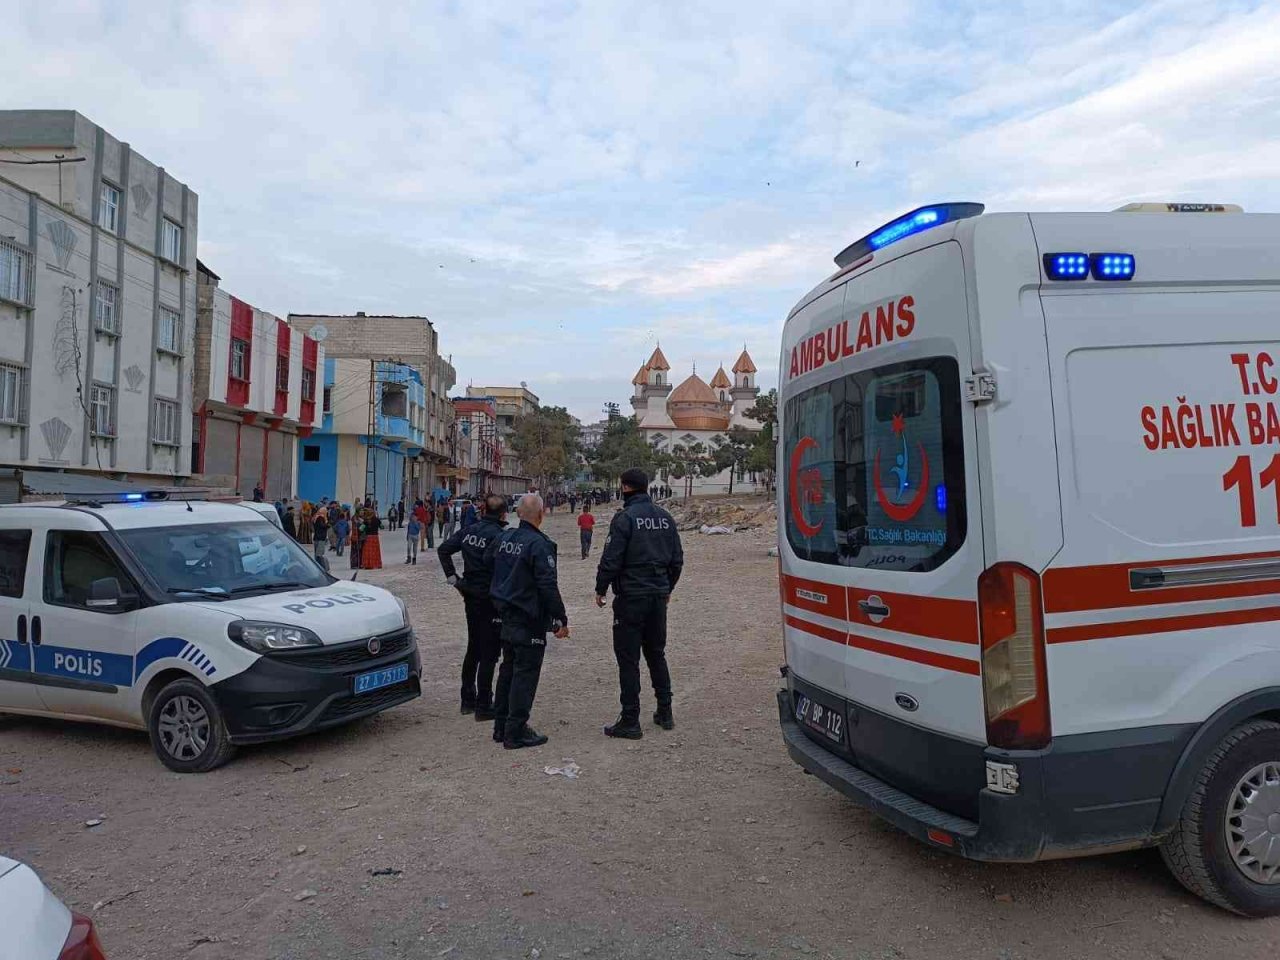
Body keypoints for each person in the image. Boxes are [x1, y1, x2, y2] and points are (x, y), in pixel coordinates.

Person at [594, 467, 684, 739]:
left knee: (628, 659)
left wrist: (600, 588)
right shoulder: (666, 518)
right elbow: (677, 560)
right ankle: (665, 711)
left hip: (631, 598)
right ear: (646, 487)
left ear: (624, 488)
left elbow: (612, 558)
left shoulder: (625, 518)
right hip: (657, 597)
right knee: (657, 654)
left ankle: (630, 719)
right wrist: (667, 587)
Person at [487, 494, 568, 749]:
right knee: (525, 674)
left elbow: (487, 561)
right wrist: (560, 617)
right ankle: (516, 731)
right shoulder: (540, 545)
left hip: (505, 613)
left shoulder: (504, 537)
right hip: (528, 617)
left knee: (508, 670)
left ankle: (501, 726)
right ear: (541, 515)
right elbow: (547, 585)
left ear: (518, 513)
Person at [439, 494, 509, 718]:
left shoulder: (469, 531)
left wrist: (454, 580)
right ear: (503, 514)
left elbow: (443, 550)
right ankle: (484, 704)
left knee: (473, 648)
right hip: (489, 598)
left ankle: (467, 700)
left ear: (483, 510)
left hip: (469, 594)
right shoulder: (499, 536)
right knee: (489, 652)